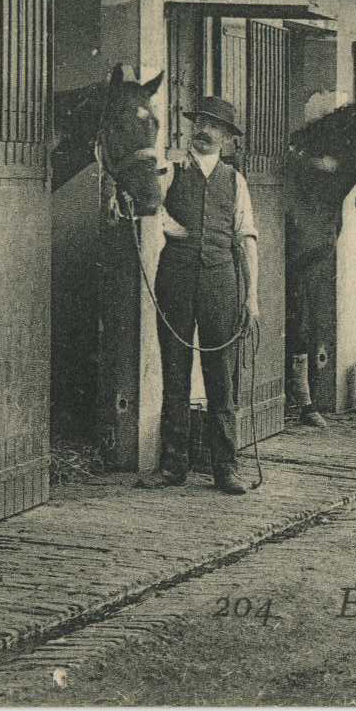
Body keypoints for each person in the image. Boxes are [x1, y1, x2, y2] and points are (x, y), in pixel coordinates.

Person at [140, 95, 259, 496]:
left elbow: (247, 240)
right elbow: (149, 207)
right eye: (201, 123)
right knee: (175, 369)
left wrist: (252, 297)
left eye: (216, 127)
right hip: (174, 278)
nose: (205, 131)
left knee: (220, 374)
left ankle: (226, 467)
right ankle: (173, 465)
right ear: (193, 128)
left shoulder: (235, 180)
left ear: (227, 137)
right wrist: (171, 227)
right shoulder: (171, 168)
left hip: (221, 282)